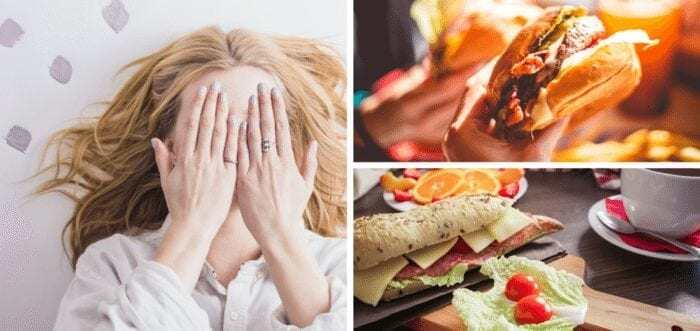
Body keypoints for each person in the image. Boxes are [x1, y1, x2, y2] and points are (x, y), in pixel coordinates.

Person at [37, 27, 347, 330]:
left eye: (260, 129)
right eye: (211, 129)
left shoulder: (340, 264)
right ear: (168, 152)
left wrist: (279, 232)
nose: (237, 148)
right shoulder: (113, 264)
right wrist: (192, 226)